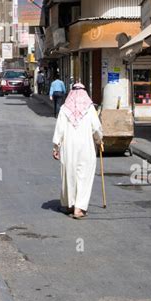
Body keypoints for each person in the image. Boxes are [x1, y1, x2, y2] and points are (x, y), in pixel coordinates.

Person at [52, 83, 103, 219]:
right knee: (84, 176)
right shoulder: (89, 108)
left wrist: (56, 147)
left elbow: (59, 130)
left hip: (68, 147)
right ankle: (79, 209)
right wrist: (99, 141)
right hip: (86, 147)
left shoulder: (64, 109)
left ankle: (70, 205)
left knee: (69, 175)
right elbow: (96, 129)